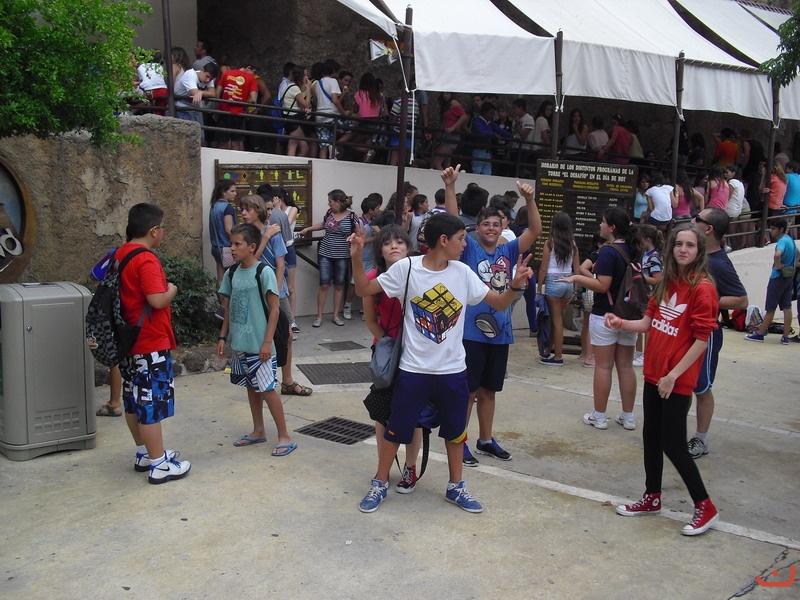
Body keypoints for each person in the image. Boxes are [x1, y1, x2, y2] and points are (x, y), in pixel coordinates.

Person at [349, 211, 535, 514]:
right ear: (444, 240)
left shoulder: (462, 272)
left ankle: (456, 487)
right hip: (413, 369)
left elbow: (500, 303)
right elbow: (364, 290)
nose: (466, 244)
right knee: (396, 429)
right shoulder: (408, 268)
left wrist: (514, 286)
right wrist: (357, 257)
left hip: (453, 371)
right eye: (461, 238)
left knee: (455, 432)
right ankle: (380, 482)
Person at [609, 223, 720, 536]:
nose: (683, 249)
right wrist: (621, 322)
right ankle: (652, 497)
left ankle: (705, 506)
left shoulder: (702, 288)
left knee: (673, 444)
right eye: (679, 244)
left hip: (675, 380)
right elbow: (648, 322)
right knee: (651, 437)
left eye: (690, 245)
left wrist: (673, 375)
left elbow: (701, 340)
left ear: (699, 251)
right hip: (654, 375)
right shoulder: (666, 282)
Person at [443, 165, 542, 466]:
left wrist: (530, 200)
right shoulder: (470, 250)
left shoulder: (509, 251)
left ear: (503, 227)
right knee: (468, 391)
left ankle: (485, 440)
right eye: (485, 224)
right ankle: (459, 442)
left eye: (496, 224)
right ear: (477, 227)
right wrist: (450, 186)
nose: (490, 228)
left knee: (489, 391)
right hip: (470, 333)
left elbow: (535, 231)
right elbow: (451, 220)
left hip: (500, 332)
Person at [117, 203, 190, 484]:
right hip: (149, 342)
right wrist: (172, 289)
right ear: (154, 230)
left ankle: (144, 453)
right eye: (162, 228)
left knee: (133, 401)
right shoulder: (145, 259)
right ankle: (159, 464)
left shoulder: (120, 254)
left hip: (129, 340)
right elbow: (156, 300)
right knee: (150, 404)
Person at [557, 207, 641, 431]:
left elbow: (602, 285)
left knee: (603, 367)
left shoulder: (607, 252)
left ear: (612, 227)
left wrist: (576, 278)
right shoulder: (635, 248)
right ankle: (628, 416)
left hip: (605, 315)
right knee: (626, 367)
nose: (600, 225)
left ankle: (600, 416)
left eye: (603, 222)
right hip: (629, 315)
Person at [216, 223, 297, 456]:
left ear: (252, 247)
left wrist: (267, 342)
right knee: (252, 387)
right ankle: (258, 430)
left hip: (261, 345)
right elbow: (229, 307)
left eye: (237, 244)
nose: (232, 248)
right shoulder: (232, 273)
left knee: (267, 389)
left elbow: (274, 310)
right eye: (231, 243)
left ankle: (284, 436)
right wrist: (223, 336)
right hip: (241, 344)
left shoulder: (264, 272)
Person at [362, 225, 423, 493]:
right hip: (386, 354)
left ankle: (410, 467)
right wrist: (388, 345)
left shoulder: (420, 275)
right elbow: (370, 320)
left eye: (400, 241)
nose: (394, 246)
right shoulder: (372, 278)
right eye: (387, 243)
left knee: (416, 415)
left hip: (417, 354)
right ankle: (383, 468)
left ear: (409, 248)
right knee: (382, 413)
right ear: (380, 251)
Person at [687, 208, 748, 458]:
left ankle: (701, 439)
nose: (692, 221)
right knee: (682, 383)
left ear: (709, 229)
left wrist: (705, 300)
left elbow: (741, 300)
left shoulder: (719, 263)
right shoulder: (695, 255)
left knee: (701, 387)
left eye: (697, 219)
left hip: (706, 334)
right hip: (685, 330)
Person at [299, 189, 358, 327]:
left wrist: (353, 236)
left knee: (338, 285)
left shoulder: (352, 216)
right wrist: (308, 229)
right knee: (324, 284)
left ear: (337, 202)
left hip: (342, 255)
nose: (328, 204)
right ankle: (319, 317)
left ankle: (335, 315)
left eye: (330, 201)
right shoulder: (329, 213)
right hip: (325, 253)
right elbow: (323, 224)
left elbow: (358, 231)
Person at [745, 218, 797, 345]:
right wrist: (792, 266)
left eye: (773, 229)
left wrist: (778, 266)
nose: (771, 231)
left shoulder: (782, 242)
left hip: (777, 277)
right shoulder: (790, 240)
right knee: (787, 307)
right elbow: (797, 253)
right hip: (788, 277)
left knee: (770, 308)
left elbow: (777, 255)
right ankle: (785, 337)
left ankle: (760, 334)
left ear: (781, 229)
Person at [538, 212, 580, 366]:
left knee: (555, 321)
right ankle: (548, 351)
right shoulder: (573, 244)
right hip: (568, 283)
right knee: (558, 319)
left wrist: (539, 287)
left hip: (553, 282)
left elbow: (543, 268)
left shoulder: (550, 243)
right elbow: (577, 270)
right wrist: (575, 290)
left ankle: (558, 357)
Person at [633, 225, 664, 367]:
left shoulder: (654, 257)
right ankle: (639, 352)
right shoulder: (645, 255)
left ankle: (646, 354)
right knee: (640, 322)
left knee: (647, 325)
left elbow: (658, 279)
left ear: (647, 239)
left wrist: (639, 276)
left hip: (650, 294)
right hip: (643, 293)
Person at [209, 180, 237, 320]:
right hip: (226, 248)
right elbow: (228, 229)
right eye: (232, 191)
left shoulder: (214, 206)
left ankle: (222, 309)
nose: (235, 194)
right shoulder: (227, 208)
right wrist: (237, 242)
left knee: (220, 279)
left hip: (216, 247)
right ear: (223, 192)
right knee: (232, 279)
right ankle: (225, 310)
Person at [215, 62, 258, 151]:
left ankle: (220, 159)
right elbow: (253, 99)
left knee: (222, 143)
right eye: (254, 72)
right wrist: (244, 103)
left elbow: (218, 92)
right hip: (239, 114)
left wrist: (217, 107)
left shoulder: (227, 73)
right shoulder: (251, 78)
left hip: (224, 111)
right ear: (248, 68)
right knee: (236, 144)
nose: (254, 75)